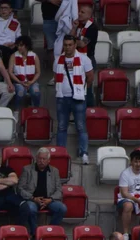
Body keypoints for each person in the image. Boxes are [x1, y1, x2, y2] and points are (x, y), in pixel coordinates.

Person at [53, 35, 92, 165]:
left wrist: (82, 91)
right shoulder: (58, 59)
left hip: (78, 98)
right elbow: (56, 76)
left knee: (81, 126)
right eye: (65, 45)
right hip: (62, 97)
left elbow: (90, 77)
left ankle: (84, 153)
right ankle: (60, 153)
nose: (68, 47)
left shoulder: (84, 59)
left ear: (75, 45)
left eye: (70, 44)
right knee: (62, 126)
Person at [18, 147, 67, 236]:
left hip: (49, 200)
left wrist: (50, 199)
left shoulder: (55, 171)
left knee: (62, 208)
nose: (41, 161)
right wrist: (33, 198)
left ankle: (49, 231)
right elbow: (20, 188)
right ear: (36, 158)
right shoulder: (27, 169)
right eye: (39, 158)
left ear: (48, 160)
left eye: (44, 159)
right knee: (31, 208)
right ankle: (36, 234)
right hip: (32, 199)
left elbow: (59, 190)